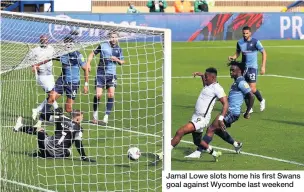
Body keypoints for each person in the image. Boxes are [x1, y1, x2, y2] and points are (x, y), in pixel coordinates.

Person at [186, 61, 255, 160]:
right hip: (229, 111)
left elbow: (251, 96)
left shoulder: (241, 82)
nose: (231, 72)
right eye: (230, 70)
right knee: (217, 130)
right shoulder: (236, 82)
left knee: (211, 129)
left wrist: (248, 112)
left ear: (239, 71)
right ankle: (236, 144)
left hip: (232, 112)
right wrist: (203, 76)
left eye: (233, 70)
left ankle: (198, 151)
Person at [171, 67, 228, 161]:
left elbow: (226, 103)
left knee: (180, 132)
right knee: (197, 141)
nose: (205, 78)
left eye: (206, 77)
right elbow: (205, 85)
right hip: (196, 116)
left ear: (213, 78)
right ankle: (214, 153)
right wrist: (201, 75)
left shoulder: (217, 88)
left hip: (202, 118)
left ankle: (163, 154)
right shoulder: (208, 85)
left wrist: (221, 118)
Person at [13, 108, 95, 162]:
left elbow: (44, 115)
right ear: (77, 118)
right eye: (82, 117)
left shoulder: (61, 119)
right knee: (68, 152)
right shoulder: (79, 128)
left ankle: (19, 127)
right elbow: (78, 144)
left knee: (40, 130)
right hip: (57, 154)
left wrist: (54, 112)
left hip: (45, 149)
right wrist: (84, 157)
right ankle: (44, 155)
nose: (82, 119)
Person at [86, 32, 125, 124]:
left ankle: (106, 116)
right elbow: (92, 54)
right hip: (101, 74)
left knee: (111, 94)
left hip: (111, 75)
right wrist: (88, 63)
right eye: (112, 37)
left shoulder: (119, 49)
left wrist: (117, 60)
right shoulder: (103, 46)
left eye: (115, 37)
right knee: (98, 95)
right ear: (109, 38)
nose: (114, 39)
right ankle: (95, 115)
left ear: (117, 39)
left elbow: (122, 61)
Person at [228, 26, 267, 113]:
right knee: (243, 87)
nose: (245, 35)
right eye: (243, 33)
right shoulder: (239, 42)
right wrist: (232, 57)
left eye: (246, 33)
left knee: (252, 89)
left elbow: (264, 53)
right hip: (243, 68)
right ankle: (250, 108)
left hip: (252, 68)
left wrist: (263, 66)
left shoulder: (255, 42)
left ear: (250, 33)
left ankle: (262, 100)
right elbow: (237, 54)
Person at [29, 35, 58, 120]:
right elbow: (30, 61)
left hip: (50, 75)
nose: (45, 41)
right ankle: (57, 109)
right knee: (51, 93)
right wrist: (33, 66)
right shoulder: (35, 50)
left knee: (52, 94)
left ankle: (37, 110)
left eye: (46, 40)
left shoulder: (51, 48)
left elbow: (55, 56)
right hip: (41, 75)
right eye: (43, 40)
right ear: (40, 41)